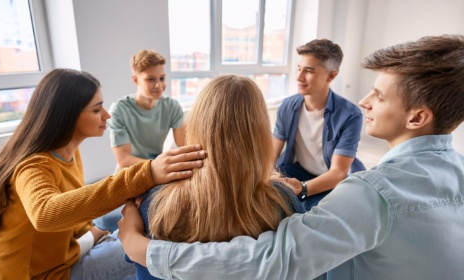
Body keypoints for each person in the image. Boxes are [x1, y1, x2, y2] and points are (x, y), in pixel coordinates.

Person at [118, 34, 464, 280]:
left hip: (321, 181)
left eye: (378, 95)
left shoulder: (369, 191)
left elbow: (271, 261)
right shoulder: (458, 169)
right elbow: (271, 155)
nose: (365, 101)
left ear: (417, 117)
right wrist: (264, 184)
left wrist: (142, 249)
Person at [0, 69, 204, 279]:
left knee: (137, 223)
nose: (106, 115)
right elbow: (45, 215)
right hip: (41, 275)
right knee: (152, 250)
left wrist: (93, 233)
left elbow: (72, 205)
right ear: (67, 116)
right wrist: (146, 174)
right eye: (97, 109)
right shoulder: (34, 166)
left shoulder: (68, 152)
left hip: (67, 253)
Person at [119, 75, 305, 279]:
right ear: (260, 135)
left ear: (196, 125)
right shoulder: (283, 203)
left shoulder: (155, 202)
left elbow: (142, 269)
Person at [273, 39, 365, 210]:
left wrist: (303, 189)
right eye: (299, 69)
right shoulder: (287, 106)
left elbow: (338, 173)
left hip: (331, 181)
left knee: (310, 217)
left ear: (331, 76)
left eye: (308, 71)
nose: (299, 77)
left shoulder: (350, 115)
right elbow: (272, 153)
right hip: (295, 171)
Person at [109, 49, 185, 170]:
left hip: (159, 168)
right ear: (135, 80)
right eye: (151, 79)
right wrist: (159, 165)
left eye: (162, 78)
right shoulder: (119, 110)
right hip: (130, 170)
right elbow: (123, 159)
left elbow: (183, 147)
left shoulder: (172, 107)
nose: (159, 85)